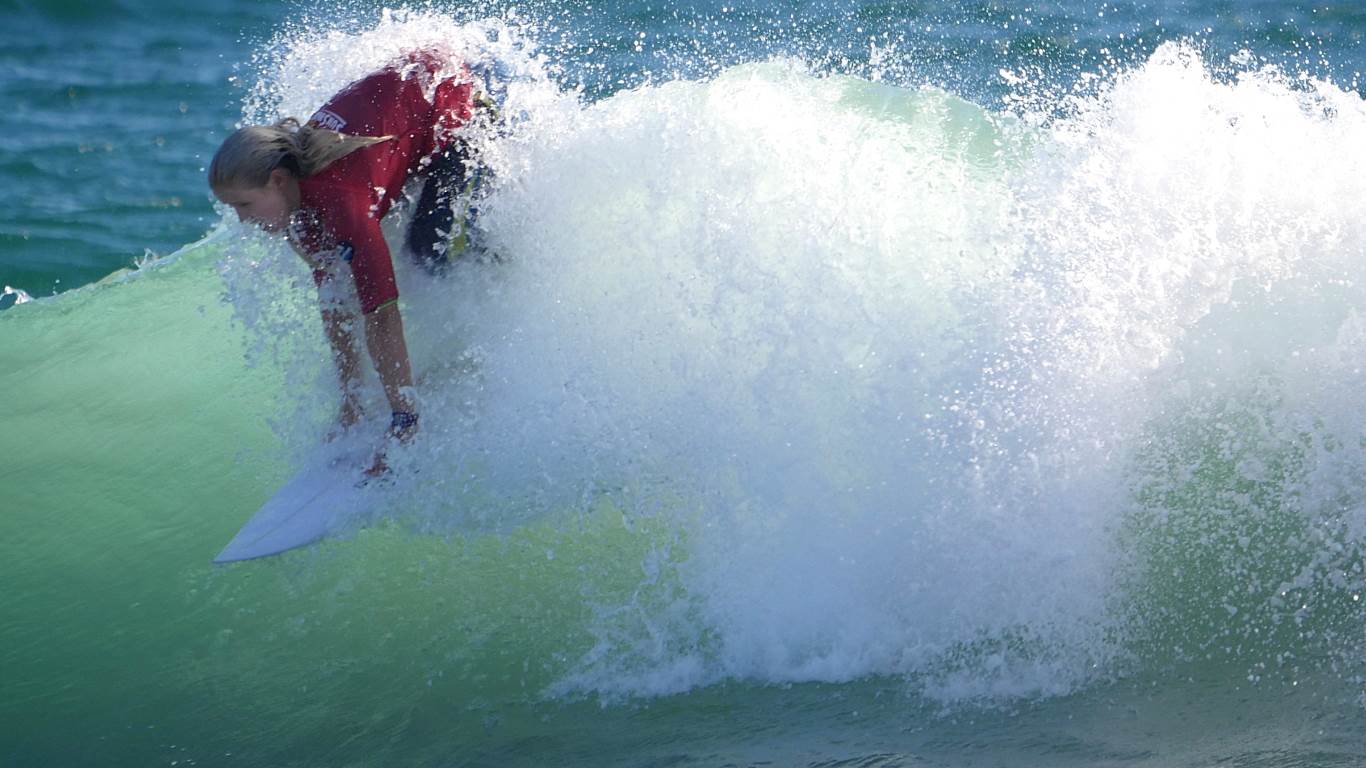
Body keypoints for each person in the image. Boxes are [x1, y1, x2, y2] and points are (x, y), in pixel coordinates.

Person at [209, 49, 494, 475]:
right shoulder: (301, 211)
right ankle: (400, 391)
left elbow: (381, 314)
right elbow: (336, 301)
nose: (242, 220)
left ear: (278, 180)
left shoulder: (343, 202)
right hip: (417, 99)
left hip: (465, 107)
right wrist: (352, 402)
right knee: (388, 253)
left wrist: (403, 420)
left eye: (245, 205)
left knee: (428, 255)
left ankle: (487, 336)